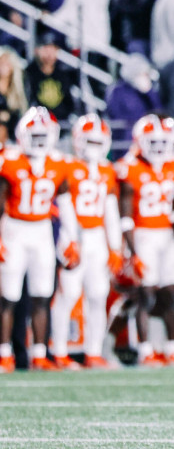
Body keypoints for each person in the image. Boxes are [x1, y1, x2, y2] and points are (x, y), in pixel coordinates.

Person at [0, 108, 79, 373]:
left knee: (42, 295)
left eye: (42, 135)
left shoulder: (59, 162)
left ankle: (40, 354)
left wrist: (71, 239)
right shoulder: (9, 159)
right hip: (14, 228)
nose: (38, 141)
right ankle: (5, 354)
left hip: (43, 230)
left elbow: (65, 204)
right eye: (33, 135)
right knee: (8, 295)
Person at [50, 115, 123, 369]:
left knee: (98, 294)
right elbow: (60, 204)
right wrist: (67, 239)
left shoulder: (107, 169)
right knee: (67, 294)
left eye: (98, 141)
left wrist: (115, 245)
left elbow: (111, 210)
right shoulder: (67, 165)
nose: (93, 146)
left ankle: (93, 352)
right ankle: (58, 351)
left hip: (97, 238)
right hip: (74, 236)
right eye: (89, 141)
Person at [116, 115, 174, 366]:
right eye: (152, 142)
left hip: (166, 235)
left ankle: (173, 349)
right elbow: (125, 216)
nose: (157, 147)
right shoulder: (129, 166)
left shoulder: (173, 165)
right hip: (143, 235)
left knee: (170, 292)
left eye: (161, 142)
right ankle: (145, 350)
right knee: (145, 294)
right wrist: (132, 252)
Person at [25, 31, 78, 124]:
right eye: (46, 48)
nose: (49, 53)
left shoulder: (63, 73)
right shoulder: (29, 73)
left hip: (59, 124)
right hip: (36, 125)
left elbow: (69, 104)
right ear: (37, 50)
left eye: (53, 49)